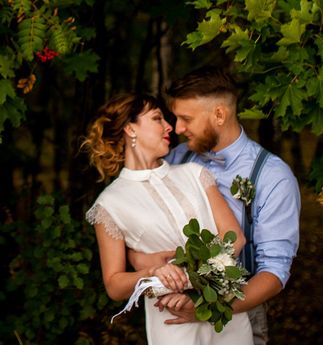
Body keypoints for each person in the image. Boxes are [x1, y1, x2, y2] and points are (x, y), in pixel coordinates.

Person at [130, 68, 300, 345]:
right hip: (170, 311)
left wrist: (211, 308)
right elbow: (137, 226)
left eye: (186, 119)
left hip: (238, 310)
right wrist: (145, 263)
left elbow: (275, 271)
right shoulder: (173, 159)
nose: (178, 129)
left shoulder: (271, 176)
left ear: (219, 115)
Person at [82, 93, 253, 344]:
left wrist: (197, 292)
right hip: (174, 321)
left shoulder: (195, 174)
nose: (169, 126)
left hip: (225, 316)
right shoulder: (109, 205)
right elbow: (114, 285)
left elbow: (235, 237)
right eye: (157, 118)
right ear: (131, 128)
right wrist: (152, 271)